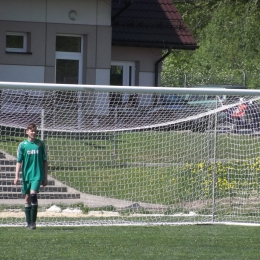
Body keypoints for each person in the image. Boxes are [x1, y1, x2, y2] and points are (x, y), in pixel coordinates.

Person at [14, 123, 48, 229]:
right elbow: (19, 162)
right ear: (27, 132)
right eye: (31, 130)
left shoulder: (40, 144)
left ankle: (33, 222)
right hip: (26, 175)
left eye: (34, 131)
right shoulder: (23, 145)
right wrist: (16, 176)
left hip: (37, 174)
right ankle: (28, 223)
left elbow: (45, 161)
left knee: (33, 194)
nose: (33, 132)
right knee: (27, 197)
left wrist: (45, 177)